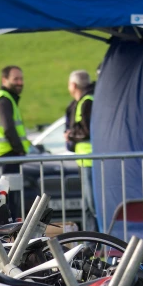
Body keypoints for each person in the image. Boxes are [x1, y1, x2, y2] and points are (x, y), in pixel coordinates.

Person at [0, 66, 30, 216]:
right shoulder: (4, 99)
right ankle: (6, 238)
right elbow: (9, 129)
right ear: (4, 80)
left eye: (21, 79)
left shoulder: (5, 98)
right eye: (15, 79)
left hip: (3, 158)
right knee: (7, 206)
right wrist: (20, 150)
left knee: (7, 204)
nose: (20, 82)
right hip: (5, 158)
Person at [65, 69, 98, 231]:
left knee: (92, 205)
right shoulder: (85, 100)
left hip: (90, 160)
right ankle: (92, 243)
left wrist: (70, 135)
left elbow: (86, 130)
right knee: (87, 205)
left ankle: (97, 242)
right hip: (86, 159)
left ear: (73, 85)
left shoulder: (87, 102)